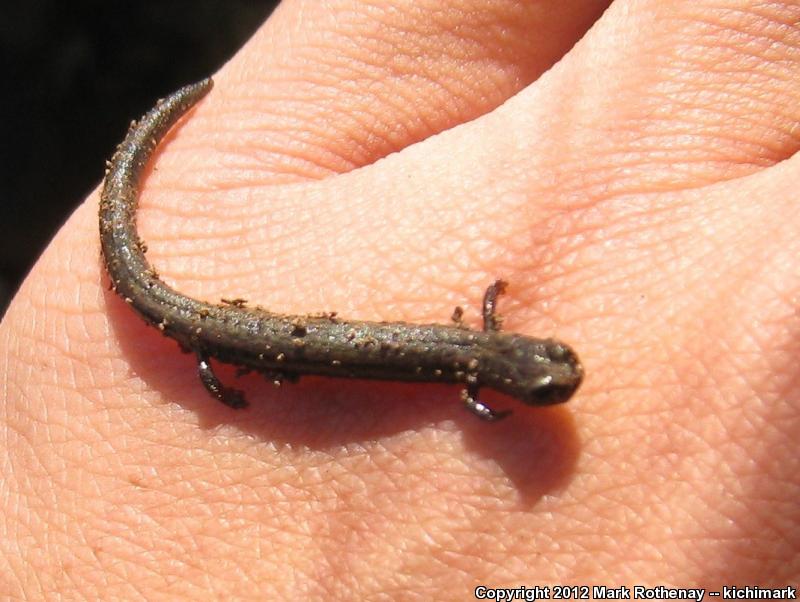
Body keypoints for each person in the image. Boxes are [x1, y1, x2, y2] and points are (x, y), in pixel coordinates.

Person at [1, 0, 798, 597]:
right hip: (217, 338)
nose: (555, 373)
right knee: (225, 332)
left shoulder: (474, 364)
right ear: (500, 378)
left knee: (225, 330)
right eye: (549, 367)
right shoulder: (470, 378)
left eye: (545, 374)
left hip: (221, 337)